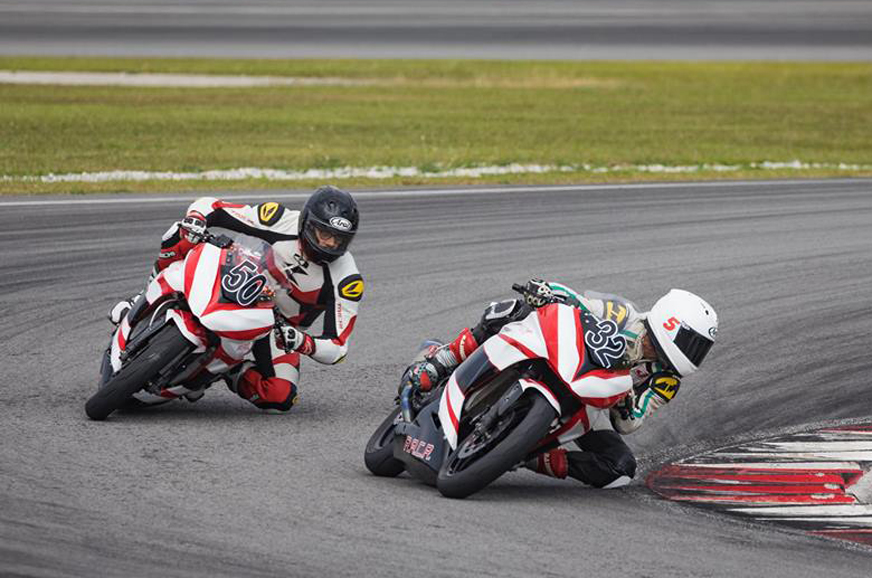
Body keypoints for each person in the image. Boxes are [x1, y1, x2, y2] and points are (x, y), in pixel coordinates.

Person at [403, 279, 718, 488]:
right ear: (671, 323)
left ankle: (523, 456)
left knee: (620, 468)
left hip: (592, 405)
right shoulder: (623, 315)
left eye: (699, 348)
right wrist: (547, 290)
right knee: (515, 309)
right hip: (562, 358)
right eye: (692, 343)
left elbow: (630, 424)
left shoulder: (666, 380)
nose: (694, 354)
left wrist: (626, 402)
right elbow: (578, 303)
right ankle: (442, 360)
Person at [109, 185, 364, 411]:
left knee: (280, 395)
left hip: (274, 327)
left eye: (339, 239)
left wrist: (301, 341)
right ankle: (143, 296)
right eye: (324, 234)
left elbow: (338, 348)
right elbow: (212, 206)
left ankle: (228, 371)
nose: (330, 244)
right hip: (235, 275)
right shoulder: (279, 219)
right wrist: (197, 219)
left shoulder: (347, 280)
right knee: (181, 232)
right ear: (307, 224)